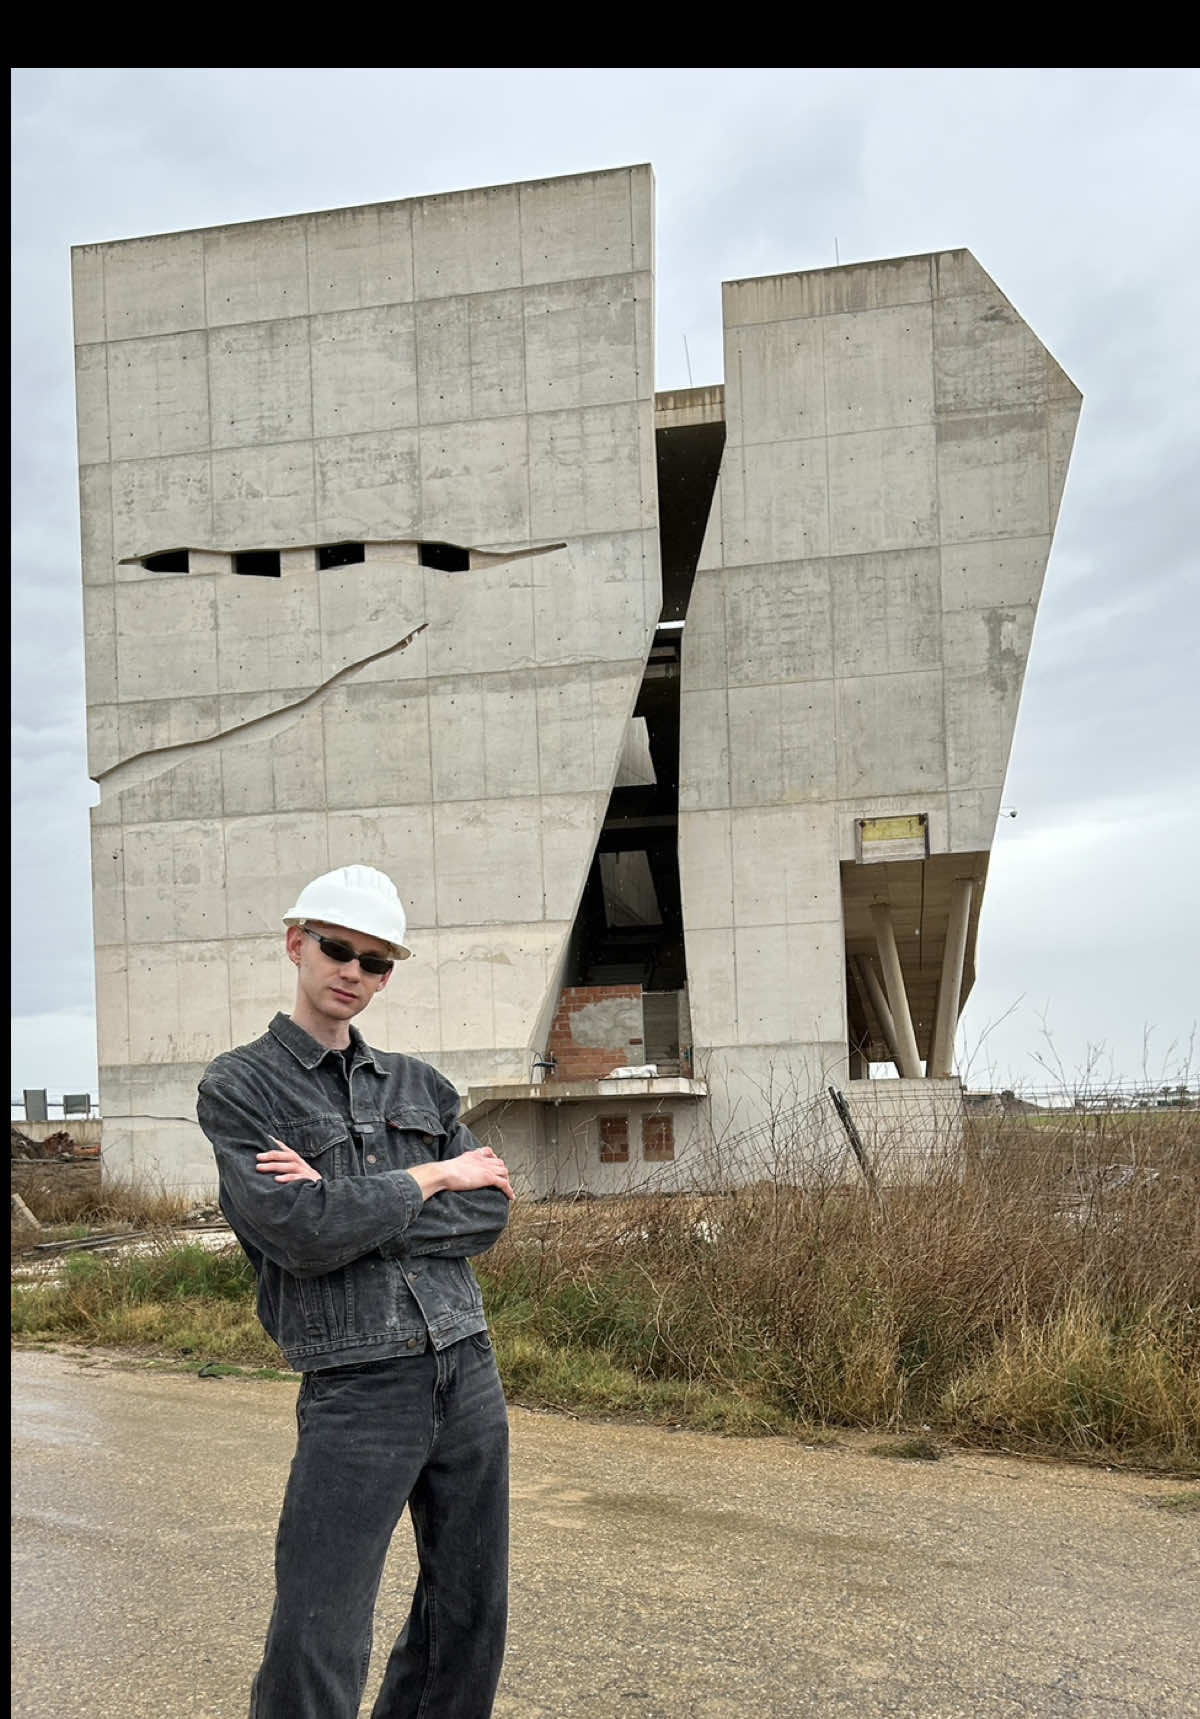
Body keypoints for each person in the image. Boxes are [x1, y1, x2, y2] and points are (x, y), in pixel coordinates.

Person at [196, 864, 514, 1719]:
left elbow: (485, 1219)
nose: (355, 973)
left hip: (465, 1363)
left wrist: (353, 1198)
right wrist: (434, 1175)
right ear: (296, 941)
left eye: (377, 963)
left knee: (469, 1617)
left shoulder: (421, 1086)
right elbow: (297, 1234)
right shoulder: (242, 1087)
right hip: (356, 1383)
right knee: (317, 1631)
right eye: (339, 949)